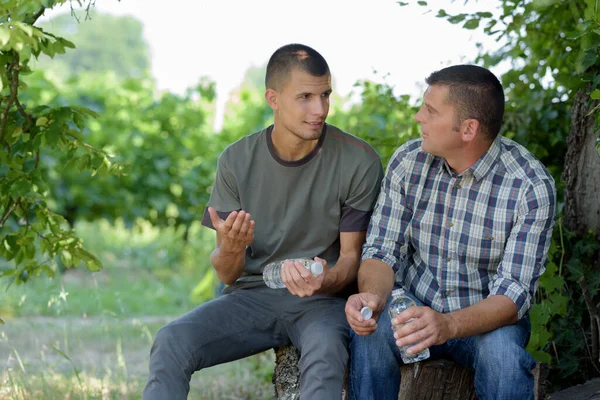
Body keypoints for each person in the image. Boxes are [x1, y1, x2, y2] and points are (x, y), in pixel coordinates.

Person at [142, 43, 384, 400]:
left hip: (323, 303)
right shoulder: (236, 160)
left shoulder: (358, 161)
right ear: (273, 98)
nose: (319, 110)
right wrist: (231, 247)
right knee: (171, 340)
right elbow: (227, 274)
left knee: (326, 353)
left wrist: (322, 279)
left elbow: (352, 259)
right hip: (253, 296)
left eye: (325, 95)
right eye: (305, 97)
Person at [345, 64, 556, 400]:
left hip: (483, 320)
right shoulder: (408, 162)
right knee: (370, 331)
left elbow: (513, 295)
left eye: (430, 111)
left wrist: (448, 326)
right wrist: (374, 296)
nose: (418, 117)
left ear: (468, 129)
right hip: (412, 307)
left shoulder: (530, 186)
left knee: (503, 356)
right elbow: (381, 252)